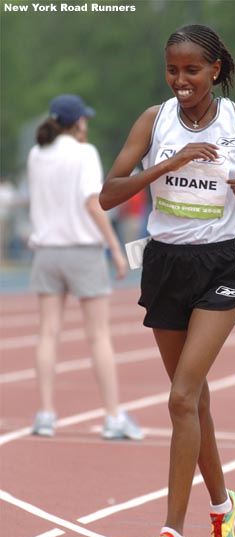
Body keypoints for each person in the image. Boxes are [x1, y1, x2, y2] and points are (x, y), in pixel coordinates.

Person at [100, 24, 235, 537]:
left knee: (182, 399)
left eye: (192, 70)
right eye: (173, 70)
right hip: (164, 266)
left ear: (215, 70)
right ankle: (223, 505)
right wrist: (169, 162)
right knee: (195, 402)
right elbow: (109, 193)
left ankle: (170, 535)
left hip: (220, 268)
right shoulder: (154, 120)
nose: (181, 80)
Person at [27, 94, 144, 441]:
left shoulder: (37, 154)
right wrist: (115, 249)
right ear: (77, 122)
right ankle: (112, 417)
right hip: (82, 250)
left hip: (46, 252)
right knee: (98, 336)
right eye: (85, 120)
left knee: (48, 332)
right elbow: (92, 203)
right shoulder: (85, 153)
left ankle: (45, 414)